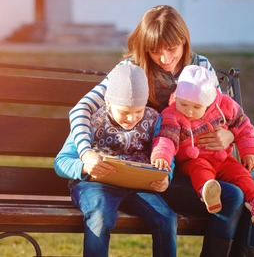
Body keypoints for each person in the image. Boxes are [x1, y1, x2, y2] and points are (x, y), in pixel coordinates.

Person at [67, 5, 254, 256]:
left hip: (201, 163)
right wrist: (85, 154)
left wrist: (231, 134)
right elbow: (81, 109)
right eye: (155, 51)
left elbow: (222, 111)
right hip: (158, 170)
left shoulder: (201, 66)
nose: (164, 58)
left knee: (247, 201)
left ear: (184, 41)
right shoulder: (133, 70)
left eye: (171, 49)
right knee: (232, 197)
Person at [54, 63, 177, 257]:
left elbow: (165, 152)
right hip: (94, 186)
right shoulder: (92, 120)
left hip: (137, 185)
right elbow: (61, 161)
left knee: (166, 218)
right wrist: (85, 166)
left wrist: (166, 175)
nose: (132, 118)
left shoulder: (153, 119)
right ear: (108, 103)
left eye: (138, 111)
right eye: (124, 112)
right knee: (101, 216)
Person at [151, 65, 254, 224]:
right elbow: (167, 138)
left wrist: (249, 151)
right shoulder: (172, 114)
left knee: (239, 173)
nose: (189, 111)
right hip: (192, 159)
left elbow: (243, 126)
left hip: (221, 157)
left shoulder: (226, 106)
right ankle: (208, 193)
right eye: (184, 104)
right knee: (200, 168)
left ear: (208, 103)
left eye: (196, 107)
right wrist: (162, 156)